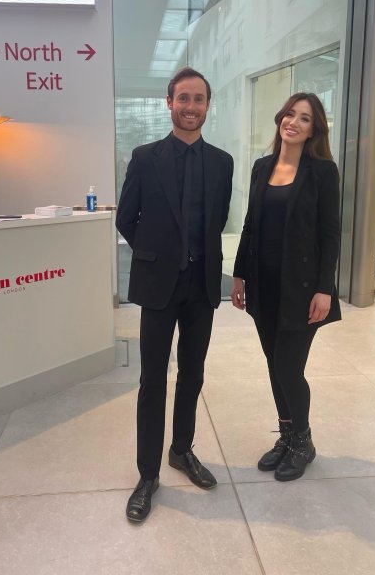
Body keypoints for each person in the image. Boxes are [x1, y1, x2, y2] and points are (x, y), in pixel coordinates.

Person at [116, 67, 233, 521]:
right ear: (169, 103)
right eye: (183, 98)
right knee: (152, 380)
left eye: (198, 99)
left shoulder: (222, 162)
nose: (190, 106)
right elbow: (126, 218)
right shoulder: (145, 158)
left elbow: (219, 218)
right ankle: (148, 474)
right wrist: (156, 253)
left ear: (207, 105)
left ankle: (181, 450)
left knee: (193, 374)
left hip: (202, 285)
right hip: (159, 284)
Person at [231, 92, 341, 481]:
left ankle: (304, 442)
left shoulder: (323, 172)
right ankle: (287, 435)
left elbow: (330, 233)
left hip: (303, 288)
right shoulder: (262, 167)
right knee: (272, 363)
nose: (293, 122)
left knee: (288, 367)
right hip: (264, 285)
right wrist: (239, 274)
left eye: (304, 118)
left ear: (314, 130)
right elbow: (250, 225)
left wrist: (325, 288)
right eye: (290, 114)